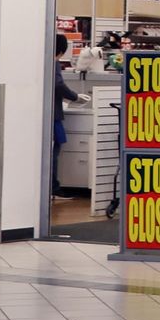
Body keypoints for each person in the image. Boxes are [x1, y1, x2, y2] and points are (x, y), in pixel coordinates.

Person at [51, 33, 89, 198]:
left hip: (45, 113)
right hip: (53, 115)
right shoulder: (54, 64)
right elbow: (58, 85)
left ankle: (51, 186)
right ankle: (53, 187)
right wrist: (75, 97)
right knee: (55, 148)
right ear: (61, 51)